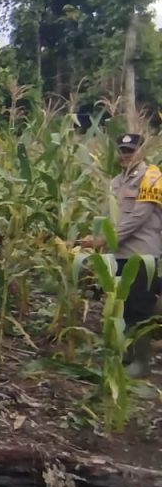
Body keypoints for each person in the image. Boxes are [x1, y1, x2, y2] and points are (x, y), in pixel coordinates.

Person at [81, 134, 161, 378]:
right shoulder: (117, 181)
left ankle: (141, 362)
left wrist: (106, 239)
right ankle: (126, 354)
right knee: (123, 305)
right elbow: (109, 216)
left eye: (131, 150)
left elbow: (139, 217)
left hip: (141, 254)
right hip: (120, 254)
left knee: (139, 307)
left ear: (142, 152)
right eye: (123, 150)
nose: (126, 155)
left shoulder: (153, 177)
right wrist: (93, 236)